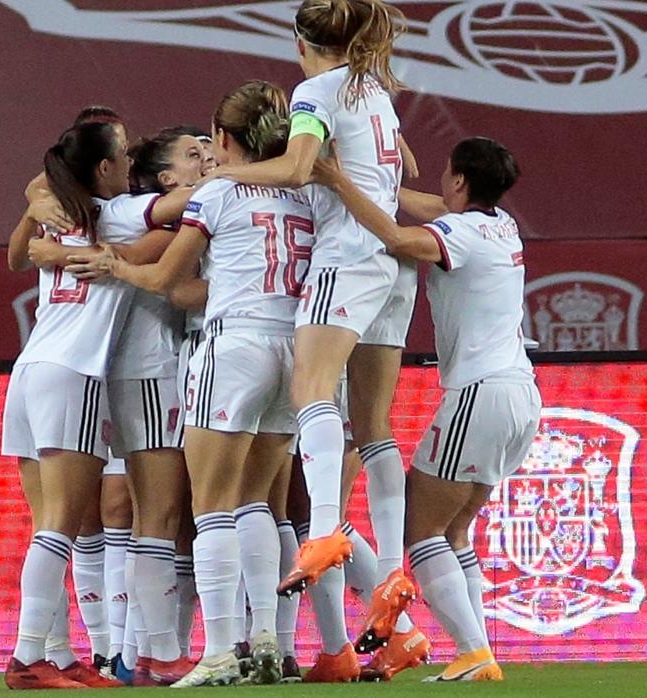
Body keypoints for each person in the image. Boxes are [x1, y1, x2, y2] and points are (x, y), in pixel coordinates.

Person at [69, 80, 313, 687]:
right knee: (260, 503)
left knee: (212, 509)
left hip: (233, 345)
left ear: (226, 138)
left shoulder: (220, 193)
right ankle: (270, 644)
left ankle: (220, 650)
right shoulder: (304, 195)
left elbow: (166, 278)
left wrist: (115, 265)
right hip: (296, 348)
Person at [205, 0, 423, 680]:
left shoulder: (316, 89)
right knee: (375, 424)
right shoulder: (374, 88)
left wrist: (223, 172)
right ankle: (390, 572)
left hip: (347, 252)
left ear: (302, 42)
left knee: (310, 391)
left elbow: (298, 168)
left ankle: (326, 529)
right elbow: (404, 165)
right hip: (390, 264)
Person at [312, 136, 539, 682]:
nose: (440, 183)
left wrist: (337, 179)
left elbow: (394, 236)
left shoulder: (459, 234)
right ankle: (479, 653)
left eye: (446, 174)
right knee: (456, 531)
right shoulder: (499, 225)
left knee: (420, 529)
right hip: (522, 395)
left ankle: (471, 650)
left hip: (478, 394)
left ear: (460, 180)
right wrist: (382, 181)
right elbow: (428, 208)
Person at [1, 121, 141, 690]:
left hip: (30, 369)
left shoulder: (57, 210)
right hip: (75, 372)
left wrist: (37, 200)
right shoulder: (120, 214)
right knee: (61, 527)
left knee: (46, 528)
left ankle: (55, 655)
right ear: (103, 169)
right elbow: (179, 204)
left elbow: (19, 251)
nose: (131, 166)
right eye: (124, 157)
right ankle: (26, 655)